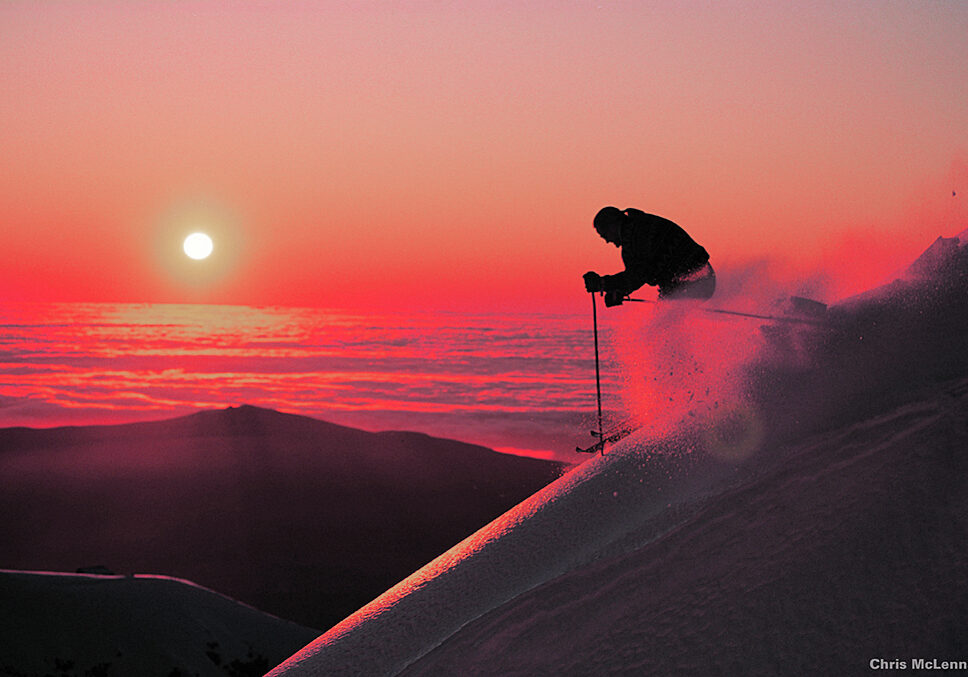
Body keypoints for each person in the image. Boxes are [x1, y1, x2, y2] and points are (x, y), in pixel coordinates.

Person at [583, 207, 715, 306]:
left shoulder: (637, 233)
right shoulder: (635, 227)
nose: (607, 241)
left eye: (605, 235)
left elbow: (637, 274)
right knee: (664, 320)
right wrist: (617, 290)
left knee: (663, 322)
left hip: (697, 280)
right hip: (693, 279)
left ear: (612, 226)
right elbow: (637, 273)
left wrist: (604, 283)